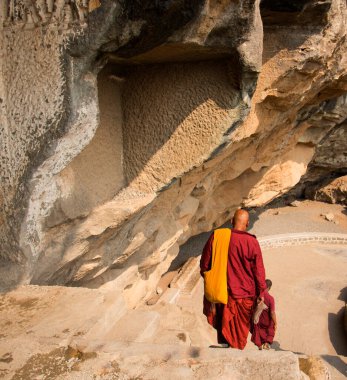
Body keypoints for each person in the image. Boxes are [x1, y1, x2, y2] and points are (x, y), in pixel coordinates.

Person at [200, 209, 267, 350]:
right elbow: (259, 272)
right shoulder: (252, 242)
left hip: (223, 292)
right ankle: (235, 350)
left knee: (224, 325)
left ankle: (227, 347)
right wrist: (261, 293)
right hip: (245, 296)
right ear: (247, 224)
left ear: (231, 221)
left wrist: (212, 279)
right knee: (239, 331)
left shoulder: (218, 236)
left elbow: (205, 264)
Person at [251, 279, 277, 350]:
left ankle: (260, 346)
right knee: (272, 323)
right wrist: (275, 322)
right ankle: (266, 343)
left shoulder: (257, 296)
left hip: (258, 320)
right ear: (269, 288)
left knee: (258, 330)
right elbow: (272, 312)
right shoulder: (270, 298)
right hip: (266, 321)